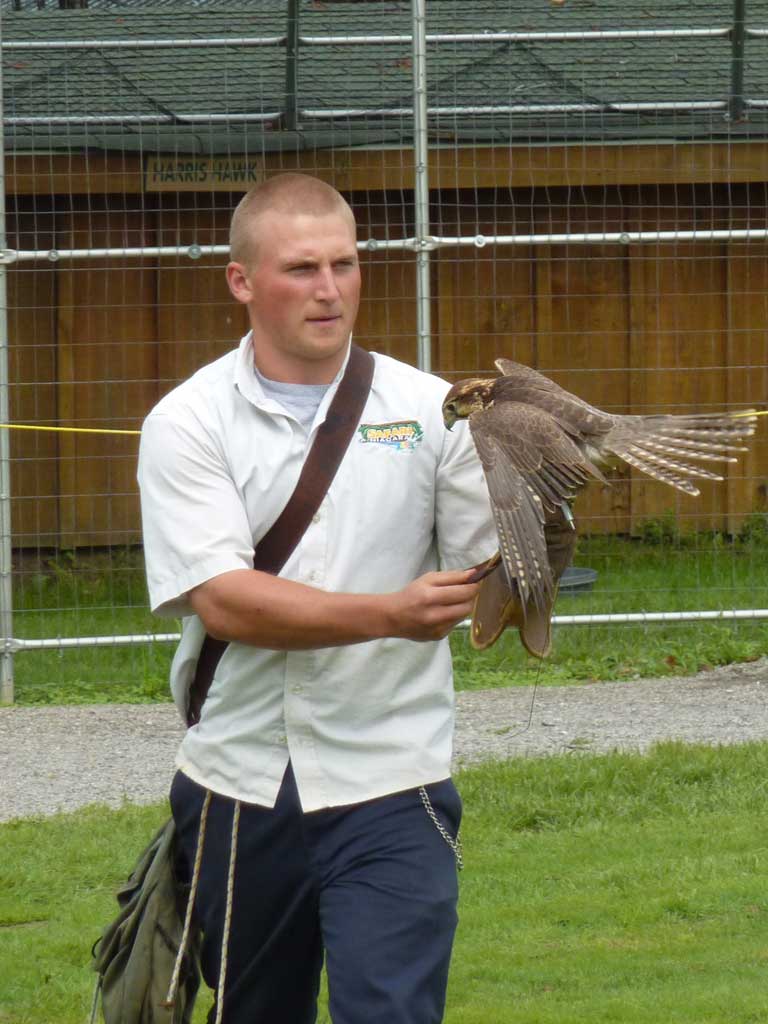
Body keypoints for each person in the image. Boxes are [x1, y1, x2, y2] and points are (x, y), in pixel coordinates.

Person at [137, 172, 496, 1024]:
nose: (330, 289)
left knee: (391, 1012)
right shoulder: (188, 422)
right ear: (242, 280)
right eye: (301, 268)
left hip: (392, 774)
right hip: (240, 780)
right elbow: (224, 601)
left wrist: (538, 492)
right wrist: (391, 615)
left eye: (345, 263)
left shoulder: (431, 410)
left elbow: (496, 574)